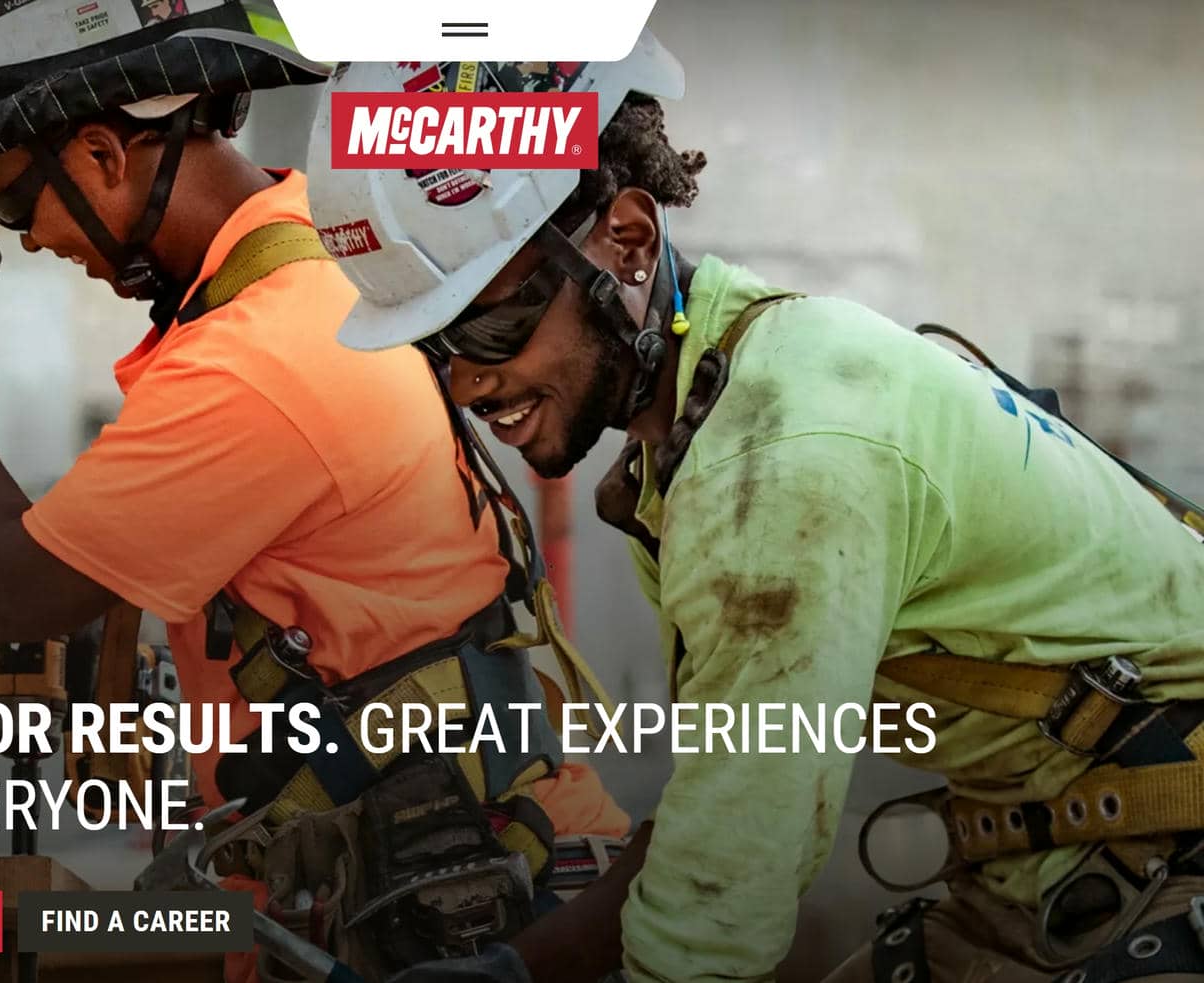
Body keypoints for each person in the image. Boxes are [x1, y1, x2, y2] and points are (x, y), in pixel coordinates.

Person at [307, 33, 1204, 983]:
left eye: (491, 325)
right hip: (1072, 864)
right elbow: (716, 807)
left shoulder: (779, 469)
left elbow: (718, 919)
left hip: (1160, 854)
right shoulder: (726, 391)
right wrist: (521, 971)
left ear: (629, 239)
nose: (470, 381)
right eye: (433, 348)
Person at [0, 2, 627, 980]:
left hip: (462, 911)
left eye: (12, 199)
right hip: (431, 874)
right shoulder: (299, 253)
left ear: (101, 155)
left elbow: (19, 588)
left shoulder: (253, 361)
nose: (32, 239)